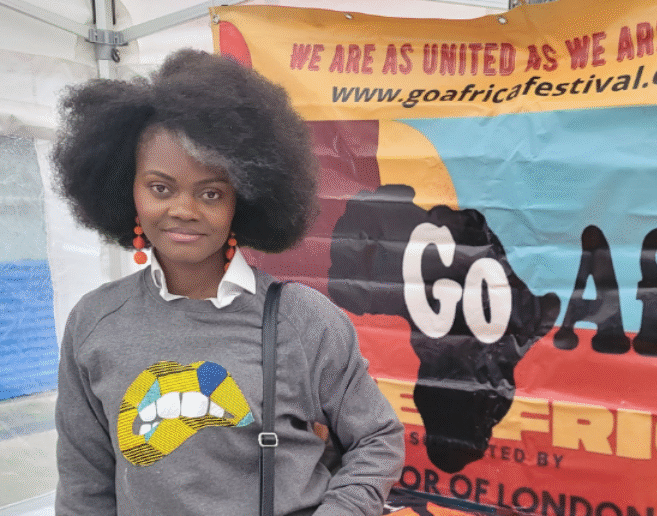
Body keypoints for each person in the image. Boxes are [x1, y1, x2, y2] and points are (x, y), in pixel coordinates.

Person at [51, 48, 404, 516]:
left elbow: (378, 439)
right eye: (160, 187)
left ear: (245, 200)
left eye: (211, 192)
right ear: (125, 188)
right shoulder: (93, 322)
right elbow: (84, 481)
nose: (183, 209)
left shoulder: (304, 319)